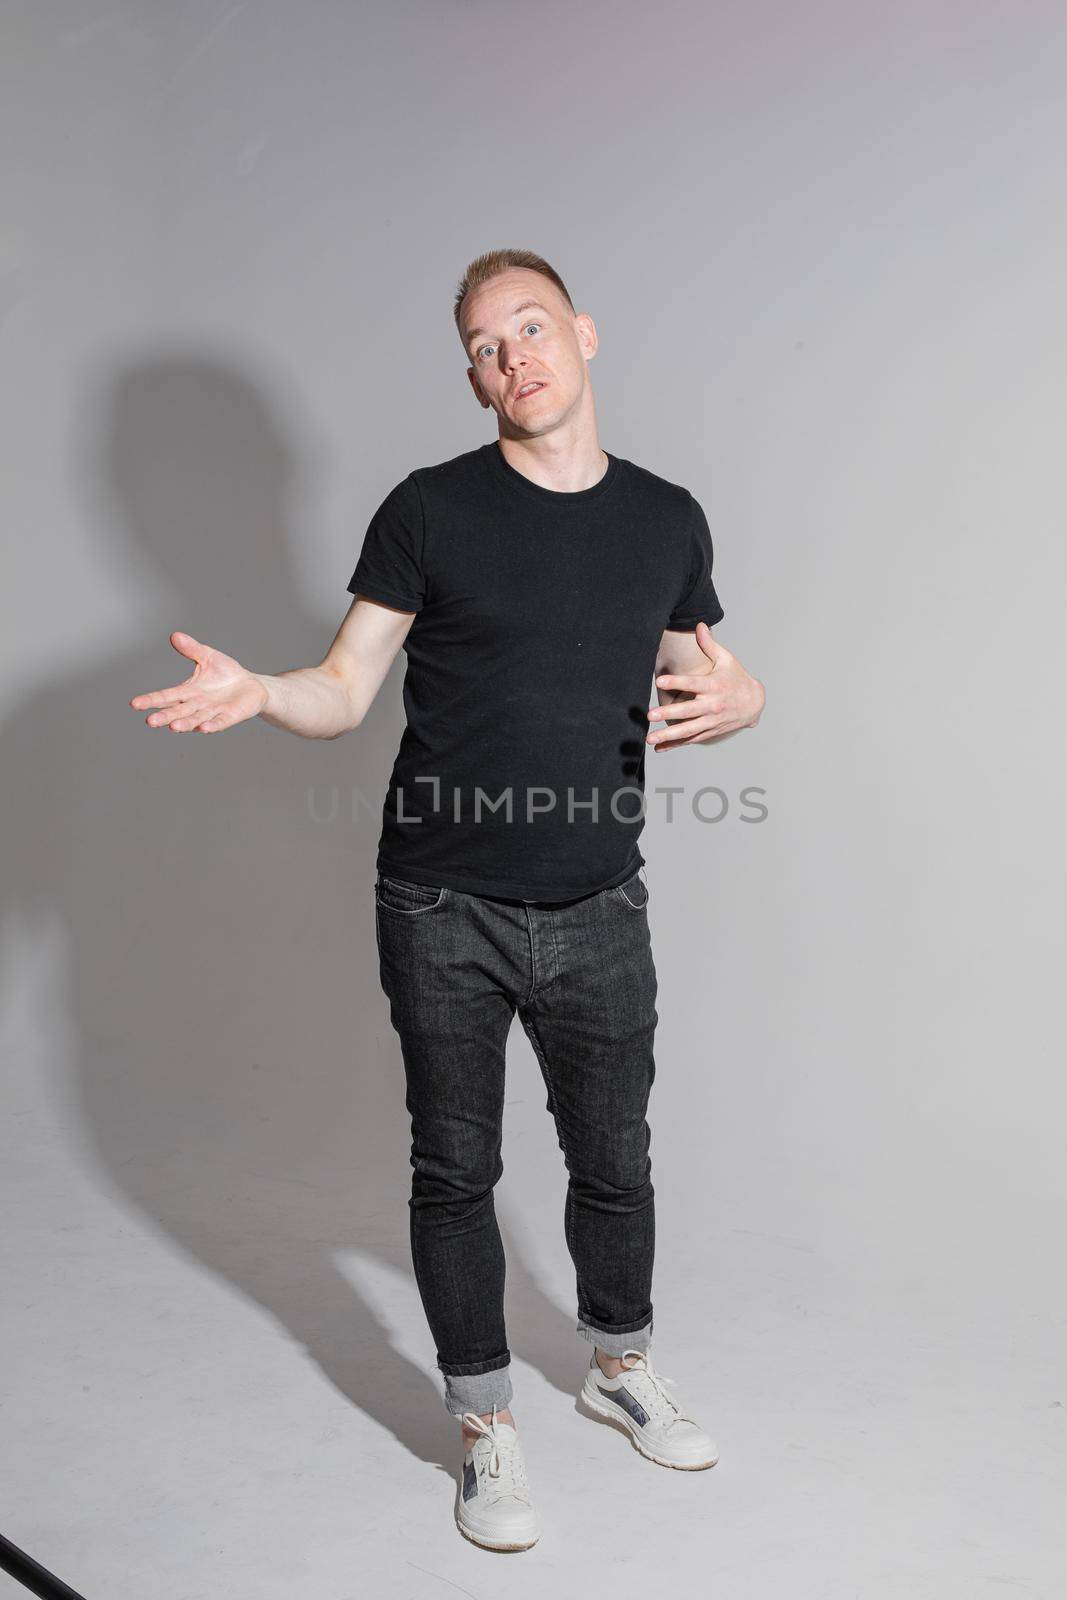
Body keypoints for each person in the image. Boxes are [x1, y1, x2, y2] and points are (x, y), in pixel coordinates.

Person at [130, 247, 765, 1553]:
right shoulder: (430, 510)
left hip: (600, 903)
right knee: (454, 1168)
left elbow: (710, 671)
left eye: (532, 328)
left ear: (585, 335)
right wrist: (263, 694)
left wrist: (751, 701)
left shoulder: (667, 517)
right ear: (473, 379)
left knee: (616, 1163)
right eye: (486, 345)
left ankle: (618, 1365)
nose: (514, 357)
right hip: (439, 907)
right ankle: (484, 1427)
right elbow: (344, 688)